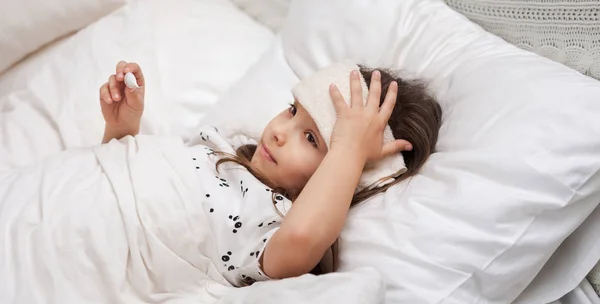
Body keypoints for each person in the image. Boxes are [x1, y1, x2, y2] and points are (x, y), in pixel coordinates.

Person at [99, 60, 442, 286]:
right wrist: (121, 130)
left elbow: (301, 239)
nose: (279, 131)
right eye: (293, 111)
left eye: (311, 138)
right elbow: (130, 184)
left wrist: (350, 148)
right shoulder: (227, 147)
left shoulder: (276, 223)